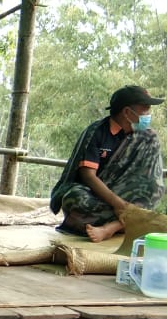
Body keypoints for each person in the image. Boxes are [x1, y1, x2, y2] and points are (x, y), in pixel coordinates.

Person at [50, 85, 165, 242]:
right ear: (127, 112)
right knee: (75, 198)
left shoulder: (147, 138)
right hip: (98, 194)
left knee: (153, 191)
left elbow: (149, 182)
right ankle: (132, 221)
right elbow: (88, 176)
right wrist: (119, 205)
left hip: (126, 198)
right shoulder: (97, 132)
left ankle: (112, 227)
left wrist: (125, 205)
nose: (148, 115)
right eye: (144, 110)